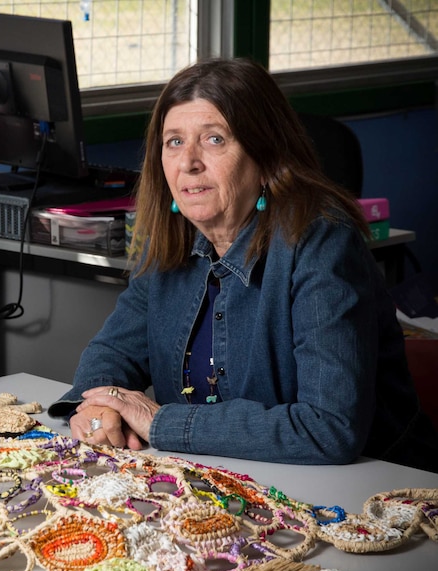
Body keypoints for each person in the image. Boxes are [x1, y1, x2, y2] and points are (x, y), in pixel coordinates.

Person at [48, 57, 438, 472]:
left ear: (266, 159)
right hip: (225, 481)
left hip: (373, 495)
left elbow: (330, 428)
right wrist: (101, 408)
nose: (188, 162)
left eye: (214, 139)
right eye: (174, 141)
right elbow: (112, 352)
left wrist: (161, 422)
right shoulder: (172, 238)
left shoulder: (321, 242)